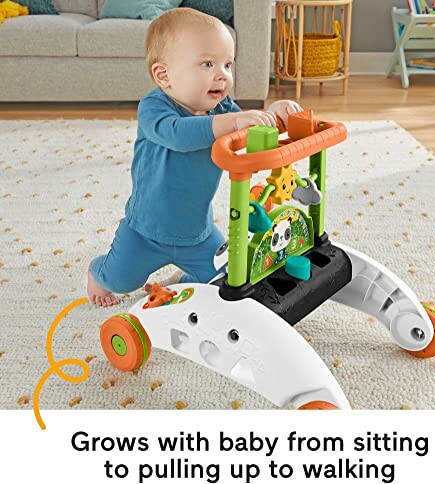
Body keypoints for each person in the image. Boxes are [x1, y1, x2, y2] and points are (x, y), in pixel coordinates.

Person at [87, 7, 302, 307]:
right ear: (164, 75)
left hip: (197, 234)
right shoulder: (154, 108)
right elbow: (178, 135)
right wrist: (232, 123)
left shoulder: (223, 109)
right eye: (207, 63)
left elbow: (250, 137)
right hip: (145, 231)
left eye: (228, 64)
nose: (222, 75)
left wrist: (273, 116)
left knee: (231, 280)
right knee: (122, 281)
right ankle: (97, 272)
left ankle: (180, 279)